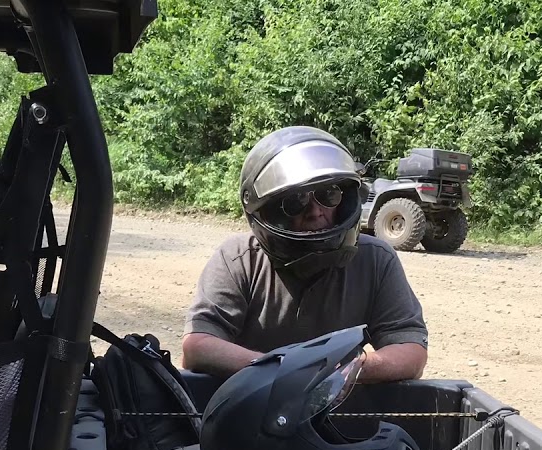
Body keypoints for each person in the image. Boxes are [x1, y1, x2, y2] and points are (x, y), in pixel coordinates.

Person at [182, 126, 429, 383]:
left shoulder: (375, 260)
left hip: (336, 410)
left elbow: (410, 350)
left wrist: (353, 370)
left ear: (345, 200)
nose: (315, 212)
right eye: (295, 202)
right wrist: (279, 371)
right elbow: (198, 346)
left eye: (328, 195)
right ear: (270, 210)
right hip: (250, 407)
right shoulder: (239, 259)